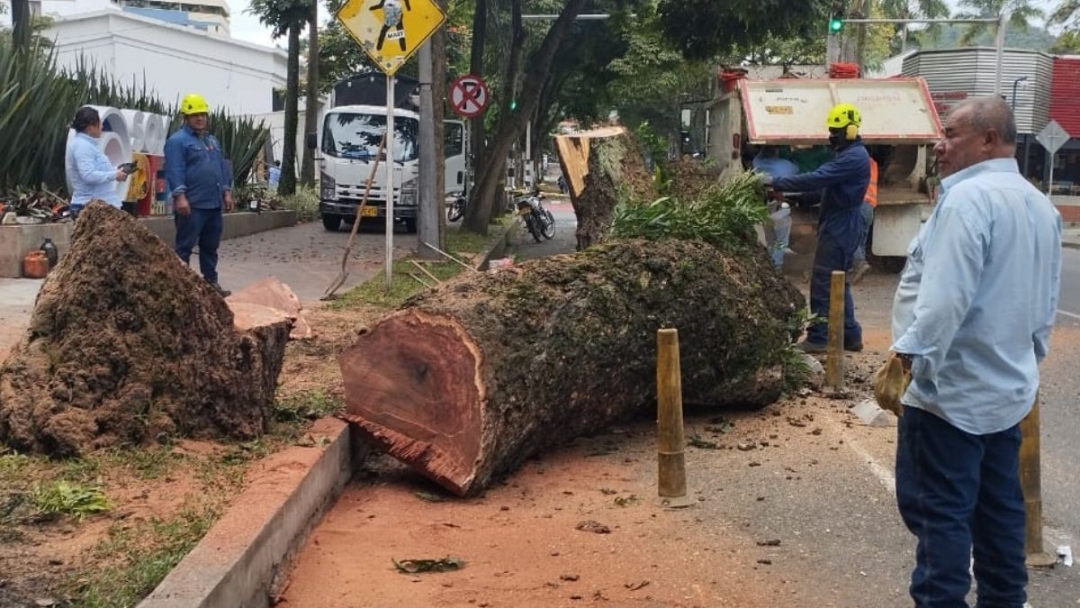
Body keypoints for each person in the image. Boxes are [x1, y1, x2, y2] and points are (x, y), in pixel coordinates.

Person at [888, 96, 1061, 608]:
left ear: (988, 139)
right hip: (1005, 394)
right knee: (999, 515)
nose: (940, 145)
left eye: (952, 134)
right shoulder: (1038, 205)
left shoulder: (966, 202)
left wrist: (909, 367)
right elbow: (1044, 307)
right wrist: (1026, 363)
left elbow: (942, 304)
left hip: (948, 398)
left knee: (939, 519)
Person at [764, 103, 870, 353]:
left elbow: (818, 177)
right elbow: (824, 186)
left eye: (837, 131)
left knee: (823, 280)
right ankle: (850, 335)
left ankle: (820, 338)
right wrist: (797, 196)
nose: (832, 136)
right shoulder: (847, 155)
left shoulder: (854, 157)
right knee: (838, 281)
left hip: (842, 223)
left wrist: (775, 180)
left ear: (851, 131)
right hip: (839, 219)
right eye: (831, 131)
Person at [164, 93, 234, 297]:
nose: (200, 118)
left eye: (203, 114)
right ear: (185, 117)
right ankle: (181, 288)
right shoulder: (177, 142)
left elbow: (221, 168)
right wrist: (180, 197)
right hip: (192, 205)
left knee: (210, 246)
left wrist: (226, 192)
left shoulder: (211, 141)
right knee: (184, 246)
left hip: (213, 204)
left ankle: (211, 283)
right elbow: (174, 170)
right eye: (195, 115)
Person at [66, 106, 129, 218]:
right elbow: (88, 175)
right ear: (90, 127)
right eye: (99, 124)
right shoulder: (82, 146)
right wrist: (114, 175)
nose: (102, 127)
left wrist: (117, 172)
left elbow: (96, 171)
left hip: (100, 207)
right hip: (91, 209)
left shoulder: (88, 145)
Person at [752, 146, 799, 269]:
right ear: (777, 152)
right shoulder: (787, 166)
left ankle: (770, 267)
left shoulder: (757, 165)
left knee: (771, 242)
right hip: (780, 212)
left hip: (768, 212)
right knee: (781, 242)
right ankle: (776, 266)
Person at [850, 154, 879, 283]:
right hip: (870, 206)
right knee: (861, 238)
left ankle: (860, 263)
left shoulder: (855, 161)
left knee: (850, 236)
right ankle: (854, 267)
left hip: (858, 204)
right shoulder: (872, 163)